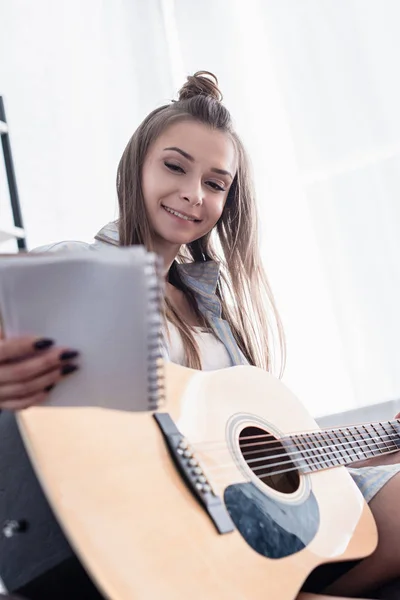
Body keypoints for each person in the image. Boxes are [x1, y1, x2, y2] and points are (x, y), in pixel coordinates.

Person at [0, 71, 399, 600]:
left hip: (241, 529)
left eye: (215, 183)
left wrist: (381, 442)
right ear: (135, 166)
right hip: (139, 526)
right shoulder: (70, 268)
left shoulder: (214, 315)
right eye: (174, 167)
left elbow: (244, 462)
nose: (193, 195)